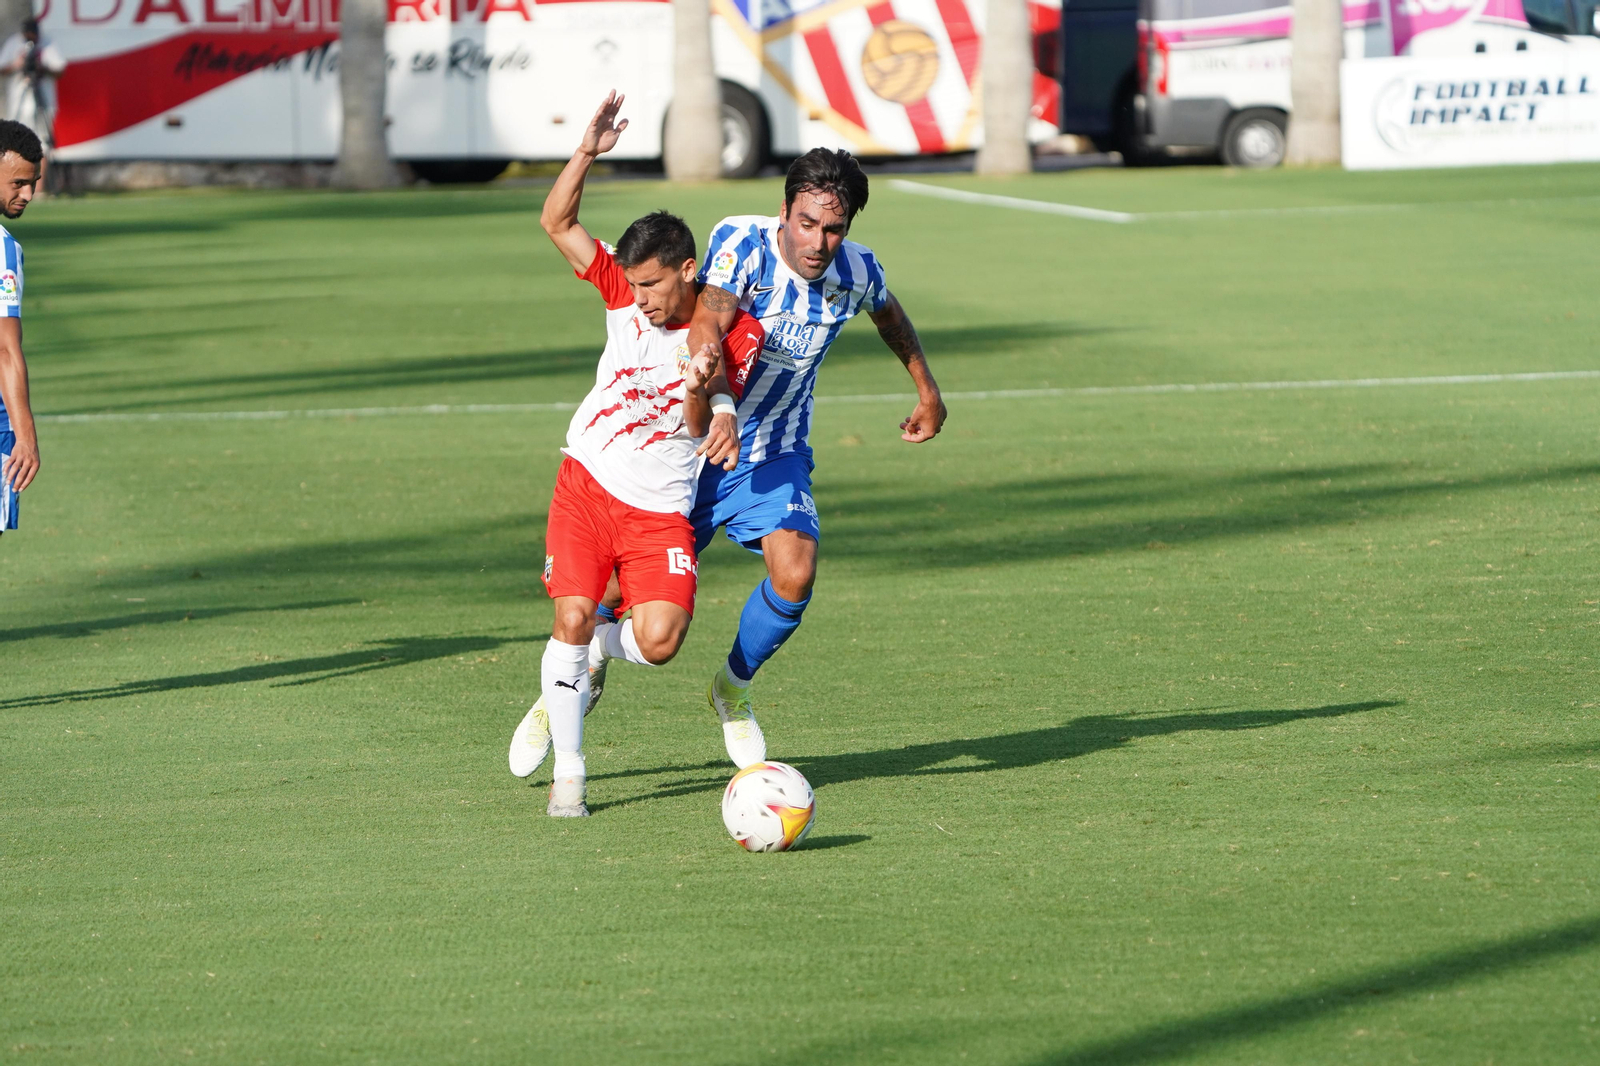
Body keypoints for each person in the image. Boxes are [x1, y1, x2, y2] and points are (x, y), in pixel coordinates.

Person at [588, 149, 947, 769]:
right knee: (619, 592)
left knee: (796, 572)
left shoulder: (856, 271)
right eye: (806, 223)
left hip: (775, 451)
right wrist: (717, 398)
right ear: (785, 211)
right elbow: (709, 319)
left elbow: (889, 314)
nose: (817, 241)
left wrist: (927, 388)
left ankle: (732, 689)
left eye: (833, 228)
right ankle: (578, 665)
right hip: (694, 449)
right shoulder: (743, 242)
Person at [507, 92, 763, 816]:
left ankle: (593, 653)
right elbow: (555, 222)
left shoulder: (729, 336)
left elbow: (691, 431)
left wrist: (702, 392)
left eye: (653, 284)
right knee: (572, 614)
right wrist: (587, 149)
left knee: (657, 642)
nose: (641, 298)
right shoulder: (621, 289)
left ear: (687, 271)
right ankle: (572, 777)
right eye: (635, 283)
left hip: (658, 512)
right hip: (587, 483)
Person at [0, 119, 42, 534]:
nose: (28, 194)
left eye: (33, 182)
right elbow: (6, 349)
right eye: (19, 183)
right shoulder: (1, 249)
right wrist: (25, 437)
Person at [0, 19, 65, 188]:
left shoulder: (48, 43)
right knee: (14, 142)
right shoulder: (14, 43)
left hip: (43, 99)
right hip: (19, 100)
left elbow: (60, 70)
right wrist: (17, 65)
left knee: (42, 142)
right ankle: (14, 185)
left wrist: (41, 67)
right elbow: (2, 68)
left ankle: (39, 188)